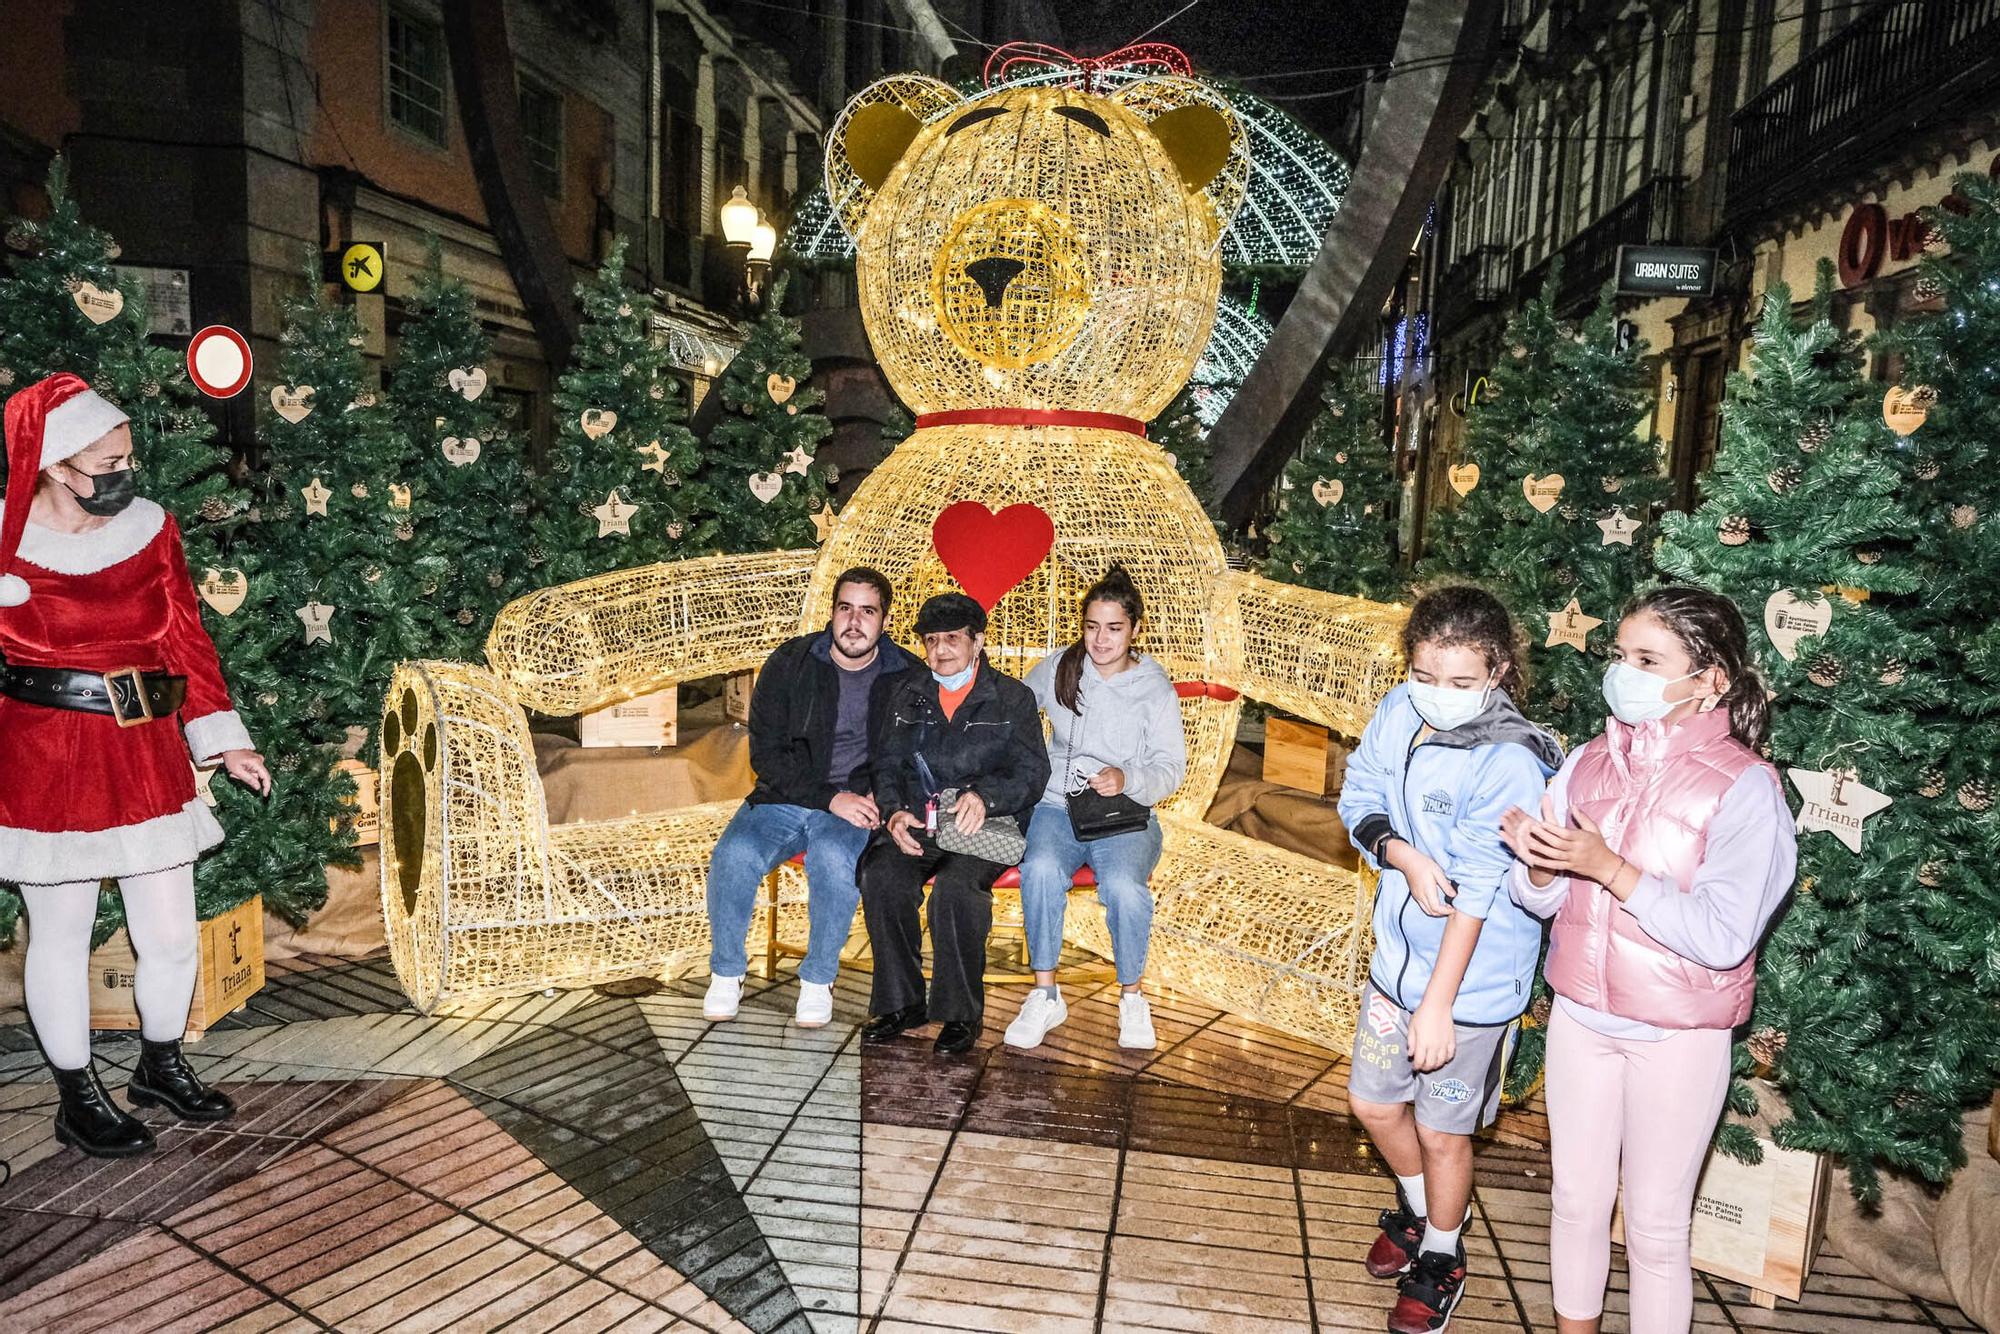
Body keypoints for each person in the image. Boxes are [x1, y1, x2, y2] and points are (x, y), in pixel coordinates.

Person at [1500, 586, 1796, 1334]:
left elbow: (1725, 935)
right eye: (1620, 655)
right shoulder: (1591, 762)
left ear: (1710, 680)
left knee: (1658, 1231)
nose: (1623, 672)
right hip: (1582, 1016)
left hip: (1677, 1035)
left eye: (1646, 659)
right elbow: (1539, 901)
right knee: (1574, 1201)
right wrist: (1538, 868)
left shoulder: (1746, 788)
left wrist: (1610, 868)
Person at [0, 372, 271, 1158]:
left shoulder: (152, 527)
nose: (123, 475)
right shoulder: (6, 540)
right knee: (61, 931)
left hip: (145, 745)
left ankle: (160, 1065)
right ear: (53, 466)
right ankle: (76, 1094)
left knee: (172, 934)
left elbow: (183, 635)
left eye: (127, 459)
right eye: (105, 465)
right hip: (46, 753)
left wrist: (225, 739)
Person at [1337, 584, 1562, 1334]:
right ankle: (1416, 1206)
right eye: (1426, 676)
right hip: (1395, 965)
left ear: (1498, 671)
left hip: (1469, 986)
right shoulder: (1402, 711)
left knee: (1442, 1131)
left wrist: (1438, 1004)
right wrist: (1397, 852)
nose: (1439, 696)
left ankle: (1442, 1252)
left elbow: (1475, 893)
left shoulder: (1511, 759)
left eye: (1462, 683)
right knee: (1372, 1102)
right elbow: (1360, 791)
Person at [702, 567, 918, 1027]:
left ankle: (819, 979)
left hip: (857, 801)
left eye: (867, 611)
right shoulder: (790, 664)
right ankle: (726, 972)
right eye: (845, 609)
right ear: (832, 613)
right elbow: (767, 754)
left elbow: (913, 753)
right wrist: (827, 797)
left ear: (884, 620)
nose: (854, 622)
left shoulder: (906, 676)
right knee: (734, 855)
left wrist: (883, 797)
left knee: (834, 859)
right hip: (785, 794)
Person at [857, 592, 1049, 1056]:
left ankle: (961, 1013)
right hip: (919, 818)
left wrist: (986, 796)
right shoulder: (907, 693)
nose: (941, 650)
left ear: (977, 641)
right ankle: (902, 1004)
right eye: (931, 640)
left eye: (953, 639)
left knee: (956, 890)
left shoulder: (1011, 698)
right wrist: (893, 811)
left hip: (980, 825)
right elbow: (885, 765)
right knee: (882, 876)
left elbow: (1032, 772)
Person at [1006, 565, 1185, 1052]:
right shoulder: (1062, 666)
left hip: (1123, 814)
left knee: (1125, 888)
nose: (1100, 639)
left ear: (1134, 629)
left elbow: (1171, 767)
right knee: (1040, 868)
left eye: (1113, 628)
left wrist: (1128, 778)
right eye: (1091, 627)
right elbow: (1015, 707)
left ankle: (1131, 996)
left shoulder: (1153, 687)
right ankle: (1045, 994)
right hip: (1057, 806)